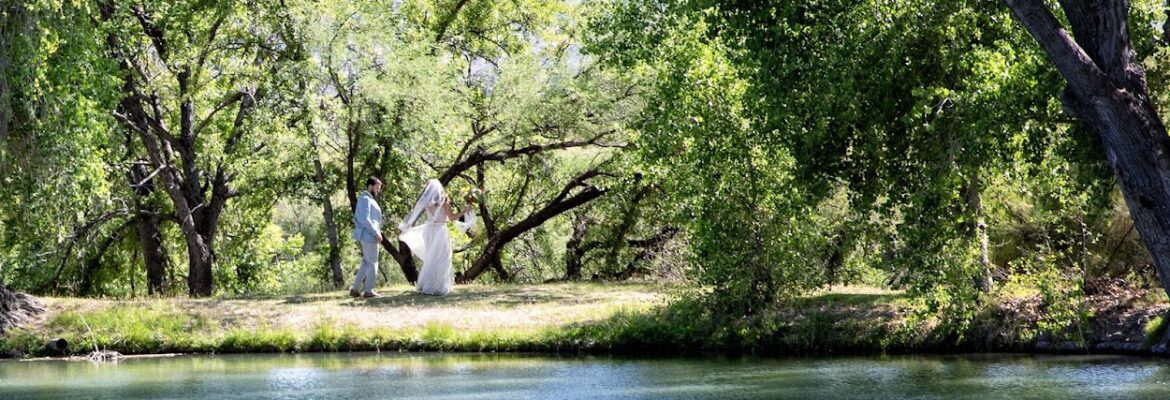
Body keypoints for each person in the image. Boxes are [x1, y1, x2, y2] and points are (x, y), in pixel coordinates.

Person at [398, 179, 471, 296]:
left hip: (429, 231)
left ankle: (427, 283)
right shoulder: (444, 200)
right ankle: (438, 285)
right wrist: (464, 211)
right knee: (442, 258)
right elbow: (452, 217)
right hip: (440, 231)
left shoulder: (428, 202)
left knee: (430, 258)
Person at [350, 177, 384, 298]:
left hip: (368, 235)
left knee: (366, 263)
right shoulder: (365, 199)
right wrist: (376, 233)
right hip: (369, 235)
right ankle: (369, 290)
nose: (378, 190)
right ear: (370, 186)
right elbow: (365, 219)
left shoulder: (368, 199)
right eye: (377, 187)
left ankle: (354, 289)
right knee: (373, 262)